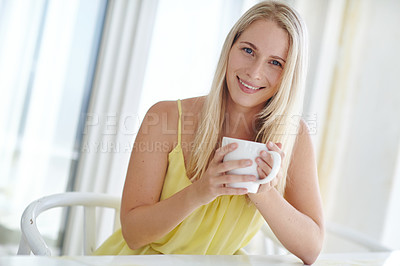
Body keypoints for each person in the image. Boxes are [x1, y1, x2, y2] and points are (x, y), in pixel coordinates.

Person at [94, 1, 324, 264]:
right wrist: (200, 191)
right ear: (230, 48)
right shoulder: (165, 118)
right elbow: (133, 235)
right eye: (248, 50)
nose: (255, 71)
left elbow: (311, 249)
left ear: (290, 74)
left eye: (275, 63)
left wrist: (262, 191)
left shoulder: (293, 136)